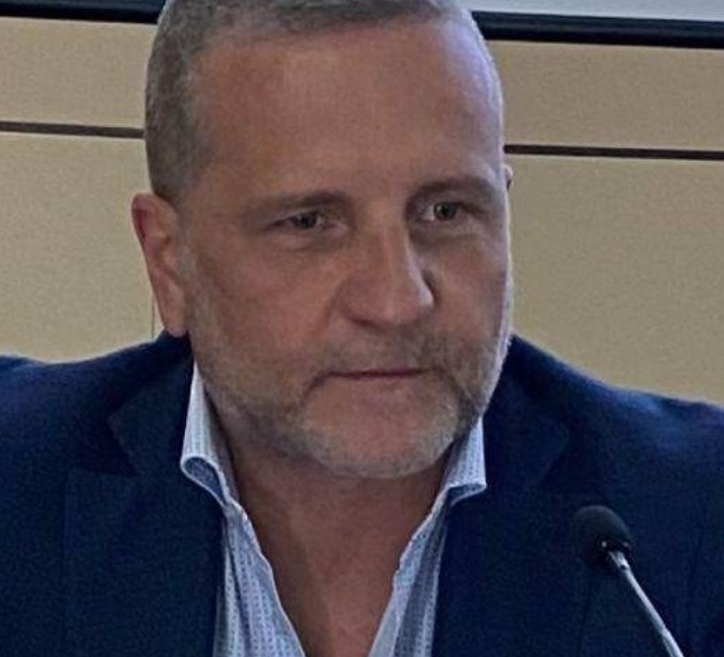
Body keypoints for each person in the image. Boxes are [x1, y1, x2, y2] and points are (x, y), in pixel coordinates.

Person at [1, 1, 723, 656]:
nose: (397, 300)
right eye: (310, 223)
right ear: (170, 262)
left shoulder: (693, 518)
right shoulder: (18, 482)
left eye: (445, 212)